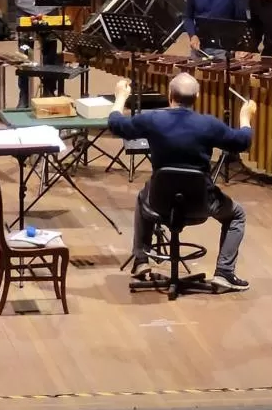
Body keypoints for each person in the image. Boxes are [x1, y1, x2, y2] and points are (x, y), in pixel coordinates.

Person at [108, 73, 255, 292]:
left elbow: (115, 124)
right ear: (197, 96)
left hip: (159, 202)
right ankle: (224, 273)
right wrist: (245, 117)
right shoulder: (208, 124)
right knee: (237, 214)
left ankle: (141, 259)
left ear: (169, 95)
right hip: (201, 203)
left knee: (143, 196)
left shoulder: (152, 119)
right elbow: (243, 142)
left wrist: (121, 97)